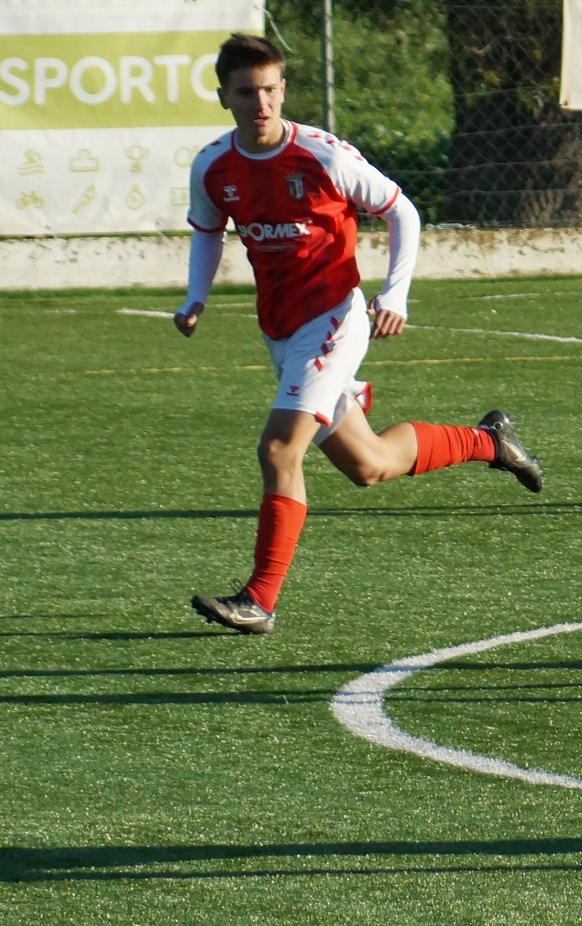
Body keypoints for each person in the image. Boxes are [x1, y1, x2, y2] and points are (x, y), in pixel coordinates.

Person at [176, 34, 542, 635]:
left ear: (283, 89)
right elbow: (208, 231)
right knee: (368, 464)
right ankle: (489, 442)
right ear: (225, 97)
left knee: (277, 450)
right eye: (247, 92)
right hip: (280, 330)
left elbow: (402, 211)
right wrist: (196, 297)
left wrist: (394, 293)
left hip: (333, 320)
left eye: (270, 89)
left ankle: (260, 598)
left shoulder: (323, 156)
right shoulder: (214, 166)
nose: (261, 102)